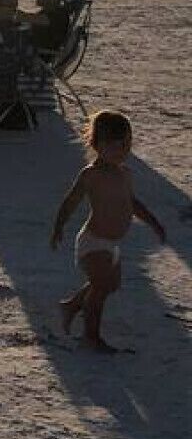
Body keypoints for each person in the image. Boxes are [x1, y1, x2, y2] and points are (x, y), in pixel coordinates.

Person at [52, 111, 166, 352]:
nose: (121, 151)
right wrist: (59, 226)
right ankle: (91, 336)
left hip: (112, 245)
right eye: (114, 146)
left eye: (126, 144)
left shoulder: (125, 174)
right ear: (97, 145)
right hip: (92, 242)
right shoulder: (91, 174)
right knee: (101, 288)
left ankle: (71, 305)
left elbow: (132, 203)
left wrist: (153, 222)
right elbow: (71, 201)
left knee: (109, 284)